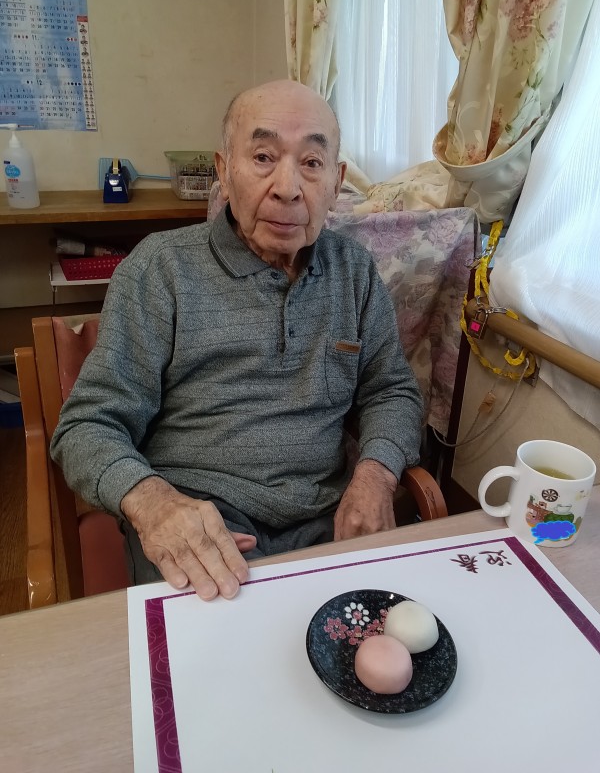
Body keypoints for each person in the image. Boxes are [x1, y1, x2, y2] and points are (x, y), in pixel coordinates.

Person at [50, 79, 423, 601]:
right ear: (223, 171)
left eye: (311, 163)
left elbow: (392, 390)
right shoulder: (160, 269)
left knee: (394, 638)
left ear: (336, 182)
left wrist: (376, 475)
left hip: (326, 523)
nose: (288, 187)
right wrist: (154, 503)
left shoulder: (355, 272)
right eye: (264, 157)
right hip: (199, 523)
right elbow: (87, 426)